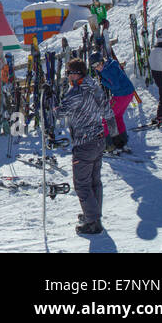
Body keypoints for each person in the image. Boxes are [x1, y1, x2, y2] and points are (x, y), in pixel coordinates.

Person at [56, 59, 114, 235]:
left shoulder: (76, 93)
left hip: (84, 142)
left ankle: (93, 222)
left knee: (82, 184)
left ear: (76, 74)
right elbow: (107, 109)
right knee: (94, 181)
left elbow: (61, 113)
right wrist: (113, 134)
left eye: (69, 73)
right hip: (98, 139)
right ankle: (93, 213)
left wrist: (50, 106)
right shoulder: (93, 86)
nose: (68, 77)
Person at [89, 53, 135, 153]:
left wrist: (103, 82)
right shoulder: (111, 64)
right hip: (128, 93)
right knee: (117, 116)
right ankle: (122, 142)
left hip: (121, 94)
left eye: (98, 64)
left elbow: (115, 86)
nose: (97, 67)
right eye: (94, 66)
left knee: (107, 117)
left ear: (102, 61)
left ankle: (109, 145)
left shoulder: (106, 71)